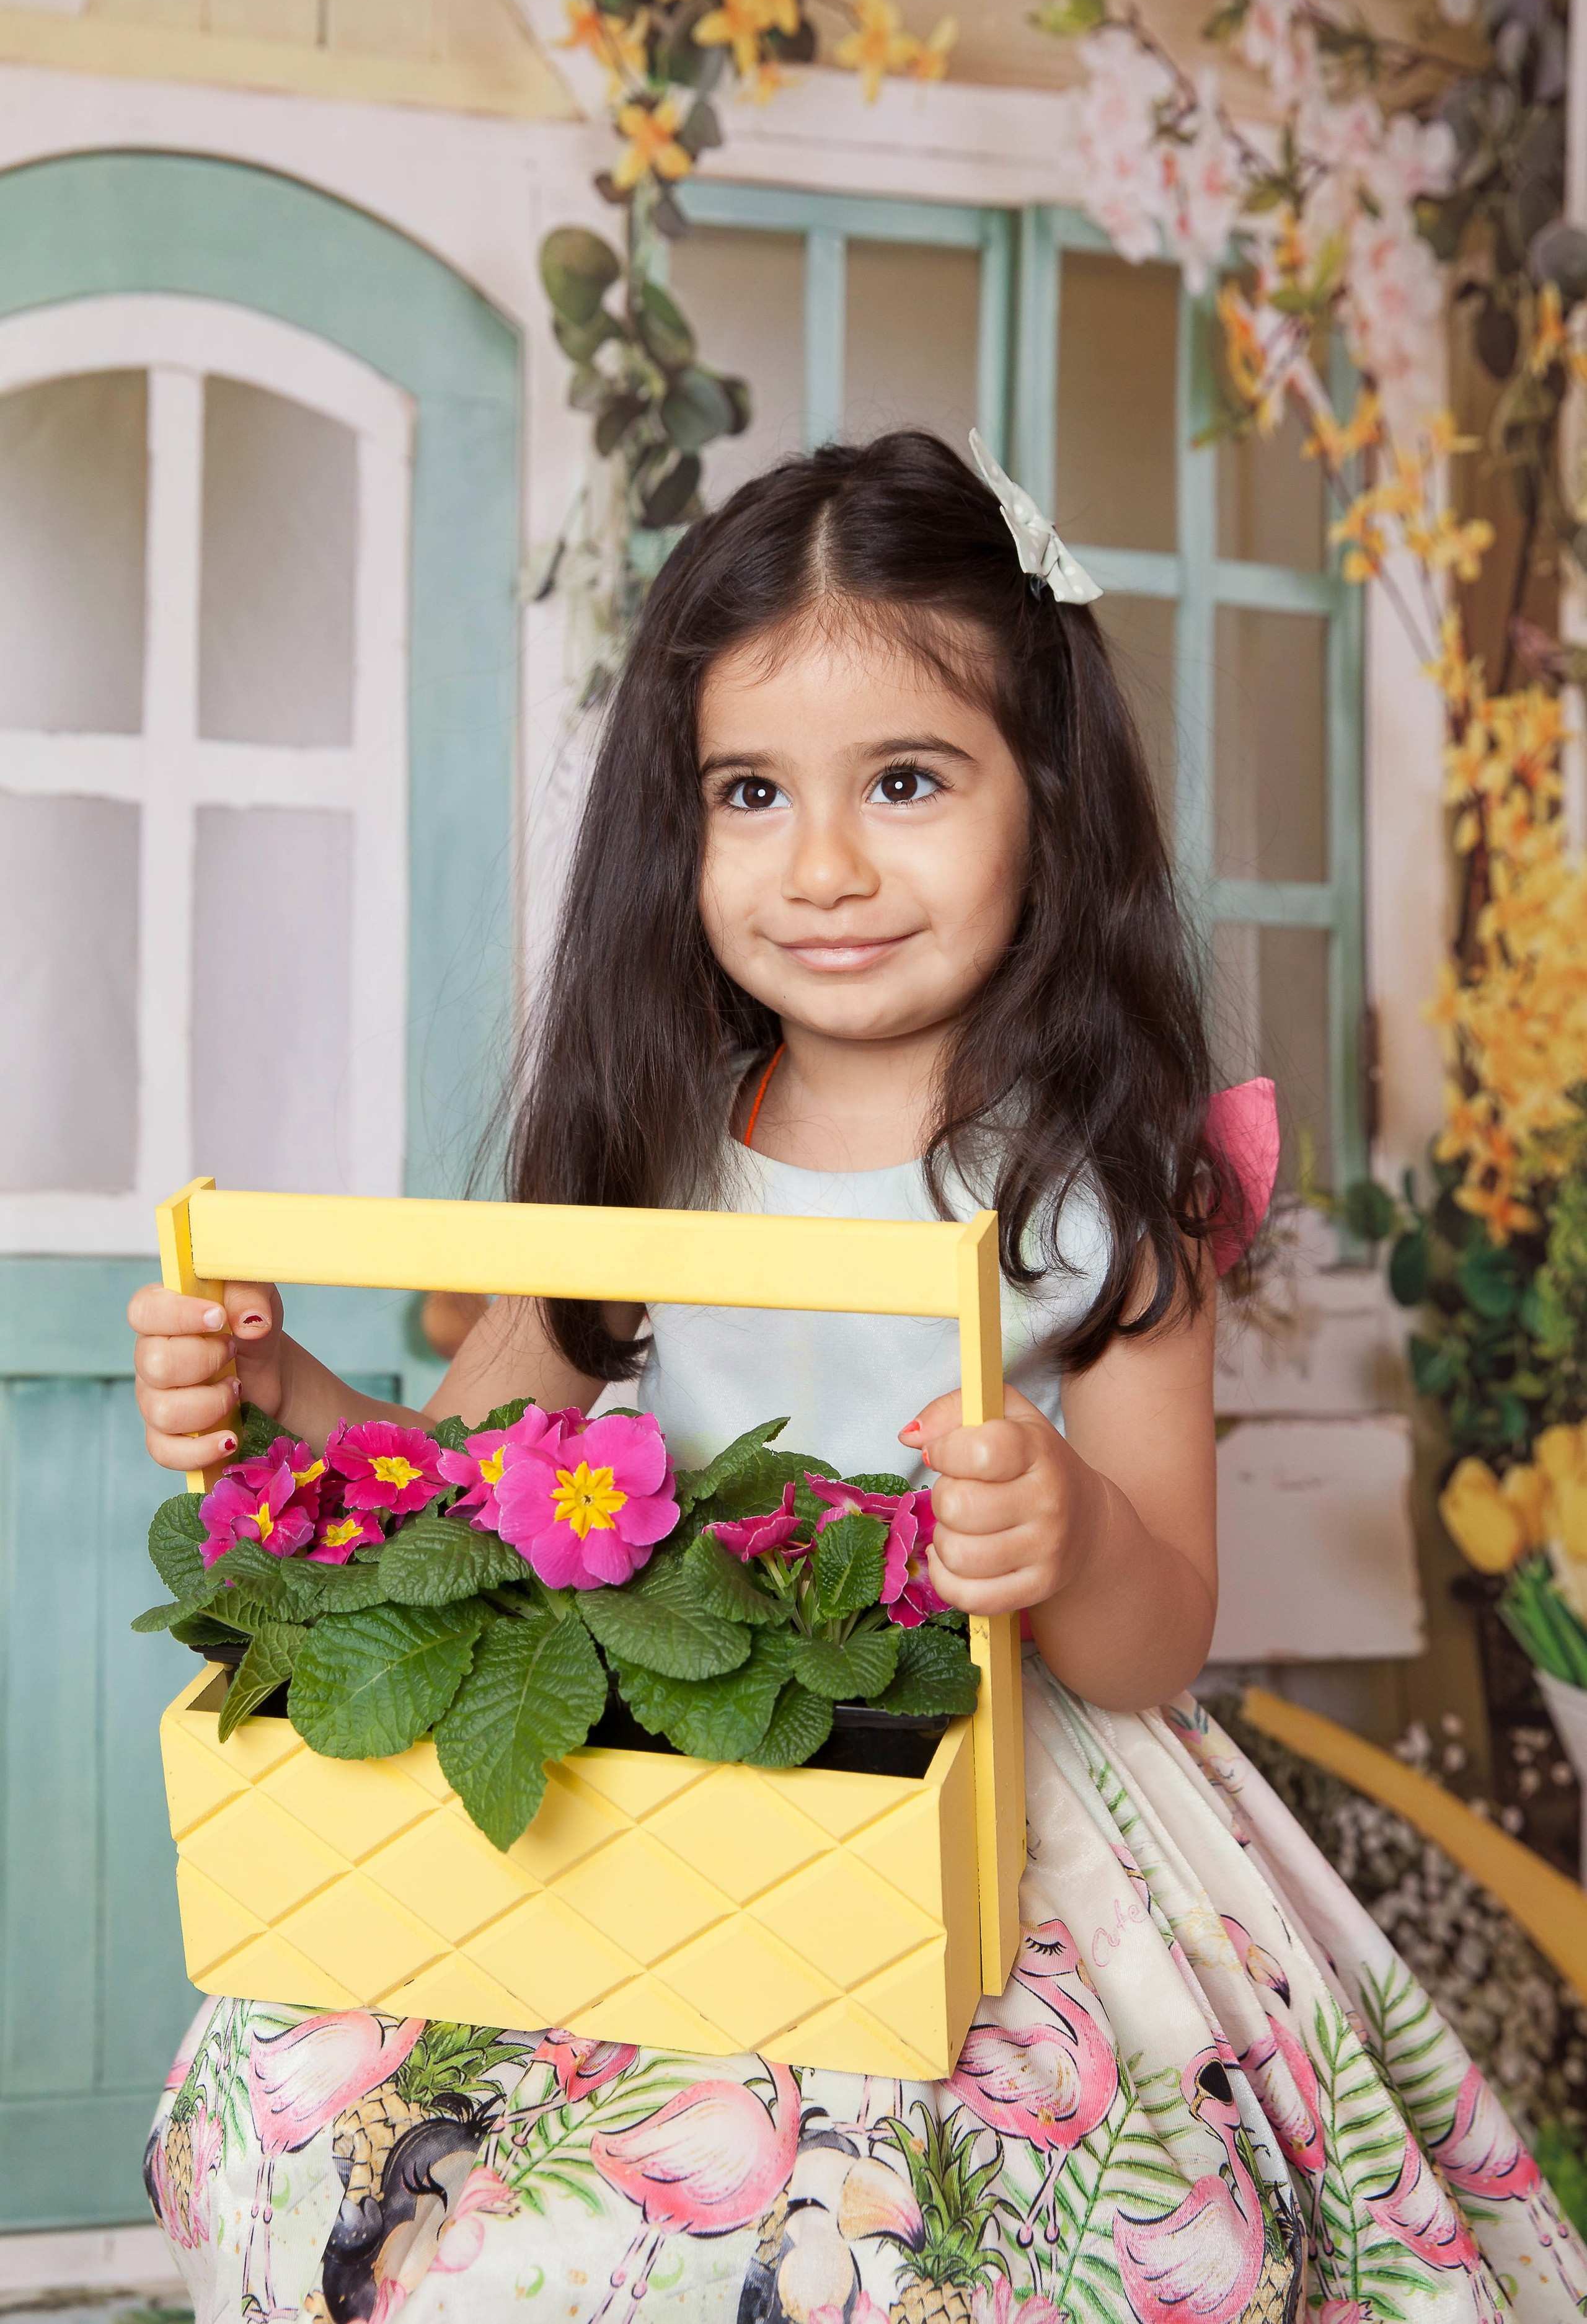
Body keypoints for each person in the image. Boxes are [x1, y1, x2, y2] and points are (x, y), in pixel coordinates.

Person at [129, 432, 1581, 2323]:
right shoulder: (650, 1137)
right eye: (751, 790)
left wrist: (1060, 1526)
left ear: (1047, 799)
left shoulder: (1093, 1179)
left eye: (906, 779)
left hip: (1018, 1787)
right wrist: (286, 1397)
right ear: (683, 824)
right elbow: (471, 1483)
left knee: (956, 2240)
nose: (823, 865)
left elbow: (1157, 1644)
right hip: (682, 1757)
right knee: (535, 2210)